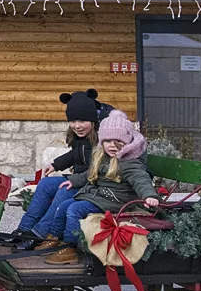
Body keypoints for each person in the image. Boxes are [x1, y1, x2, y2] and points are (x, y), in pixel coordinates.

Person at [33, 111, 162, 265]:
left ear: (127, 142)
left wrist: (149, 196)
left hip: (116, 201)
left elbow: (141, 180)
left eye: (118, 141)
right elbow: (90, 173)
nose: (112, 145)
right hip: (100, 197)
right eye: (107, 141)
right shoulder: (103, 157)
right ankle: (54, 238)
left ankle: (70, 248)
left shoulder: (130, 163)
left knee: (75, 209)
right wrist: (74, 181)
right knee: (64, 206)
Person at [11, 88, 113, 249]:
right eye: (73, 121)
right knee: (45, 184)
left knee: (64, 190)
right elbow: (76, 153)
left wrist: (75, 180)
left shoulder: (106, 137)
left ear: (93, 119)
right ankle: (24, 228)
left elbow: (101, 169)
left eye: (82, 121)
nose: (77, 126)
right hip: (81, 179)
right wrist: (56, 165)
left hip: (96, 184)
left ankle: (39, 234)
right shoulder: (83, 135)